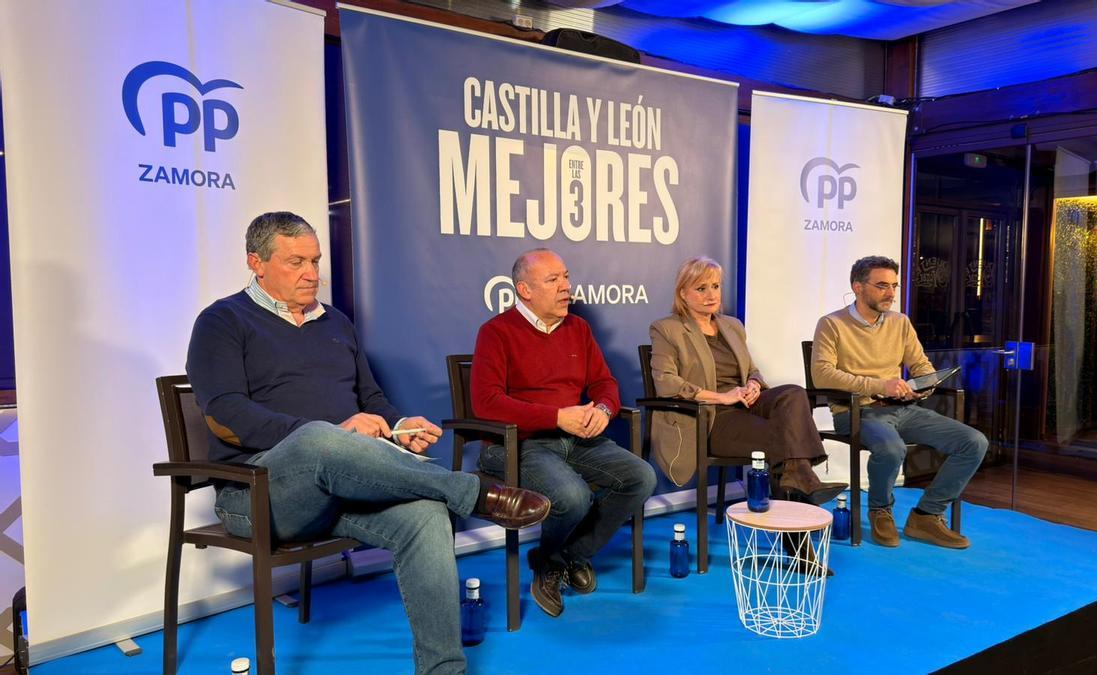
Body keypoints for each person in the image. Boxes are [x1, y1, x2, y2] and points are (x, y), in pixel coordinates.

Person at [186, 212, 550, 675]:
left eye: (315, 260)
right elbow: (225, 415)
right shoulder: (222, 321)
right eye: (296, 261)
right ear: (256, 263)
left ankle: (443, 669)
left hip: (341, 488)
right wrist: (335, 433)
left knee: (425, 514)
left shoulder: (335, 321)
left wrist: (399, 426)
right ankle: (473, 491)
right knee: (318, 435)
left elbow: (370, 398)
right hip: (259, 493)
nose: (312, 273)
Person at [470, 248, 657, 618]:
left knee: (641, 477)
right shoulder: (496, 333)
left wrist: (604, 410)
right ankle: (553, 564)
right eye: (553, 280)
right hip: (519, 443)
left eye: (566, 277)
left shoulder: (578, 329)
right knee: (572, 496)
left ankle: (561, 556)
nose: (566, 287)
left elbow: (605, 382)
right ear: (524, 290)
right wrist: (556, 417)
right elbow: (486, 403)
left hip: (578, 437)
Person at [811, 255, 988, 549]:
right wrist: (882, 385)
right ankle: (880, 510)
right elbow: (822, 375)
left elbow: (921, 366)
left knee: (974, 442)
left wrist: (923, 388)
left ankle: (927, 515)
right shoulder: (832, 324)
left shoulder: (899, 322)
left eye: (894, 285)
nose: (891, 293)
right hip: (856, 412)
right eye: (882, 286)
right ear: (858, 286)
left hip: (903, 409)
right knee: (891, 449)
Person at [648, 256, 846, 504]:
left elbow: (753, 370)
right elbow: (666, 382)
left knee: (794, 393)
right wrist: (722, 396)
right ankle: (802, 494)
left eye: (716, 286)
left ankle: (798, 482)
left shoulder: (732, 325)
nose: (711, 294)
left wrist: (753, 384)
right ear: (683, 294)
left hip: (746, 404)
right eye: (701, 288)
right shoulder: (667, 329)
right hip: (712, 417)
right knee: (785, 438)